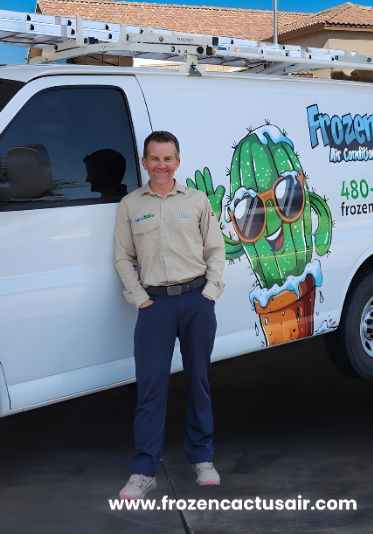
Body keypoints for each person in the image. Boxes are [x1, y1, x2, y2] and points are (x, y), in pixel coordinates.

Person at [113, 130, 225, 499]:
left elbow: (216, 250)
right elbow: (123, 258)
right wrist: (140, 299)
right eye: (155, 158)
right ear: (145, 162)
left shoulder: (196, 200)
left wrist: (209, 293)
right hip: (155, 306)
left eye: (168, 158)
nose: (161, 165)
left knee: (199, 381)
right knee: (150, 387)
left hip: (196, 301)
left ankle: (202, 458)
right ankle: (144, 471)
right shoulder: (130, 205)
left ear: (178, 162)